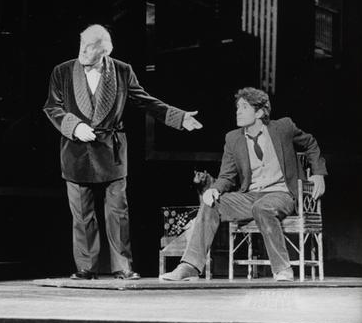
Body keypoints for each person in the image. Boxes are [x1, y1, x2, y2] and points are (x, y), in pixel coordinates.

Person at [43, 24, 203, 280]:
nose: (82, 51)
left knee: (118, 212)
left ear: (104, 51)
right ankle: (86, 267)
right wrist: (74, 126)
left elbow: (145, 100)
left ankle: (122, 266)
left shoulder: (122, 70)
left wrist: (178, 117)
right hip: (76, 150)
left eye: (89, 48)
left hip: (111, 150)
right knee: (82, 214)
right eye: (82, 45)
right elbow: (52, 107)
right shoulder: (62, 71)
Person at [160, 87, 327, 282]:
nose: (238, 111)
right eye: (238, 107)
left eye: (244, 107)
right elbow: (227, 175)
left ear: (259, 112)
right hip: (250, 196)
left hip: (282, 195)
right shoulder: (233, 138)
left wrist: (318, 173)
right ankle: (190, 266)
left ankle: (283, 268)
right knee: (211, 203)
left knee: (262, 207)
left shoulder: (283, 128)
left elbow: (310, 143)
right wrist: (214, 189)